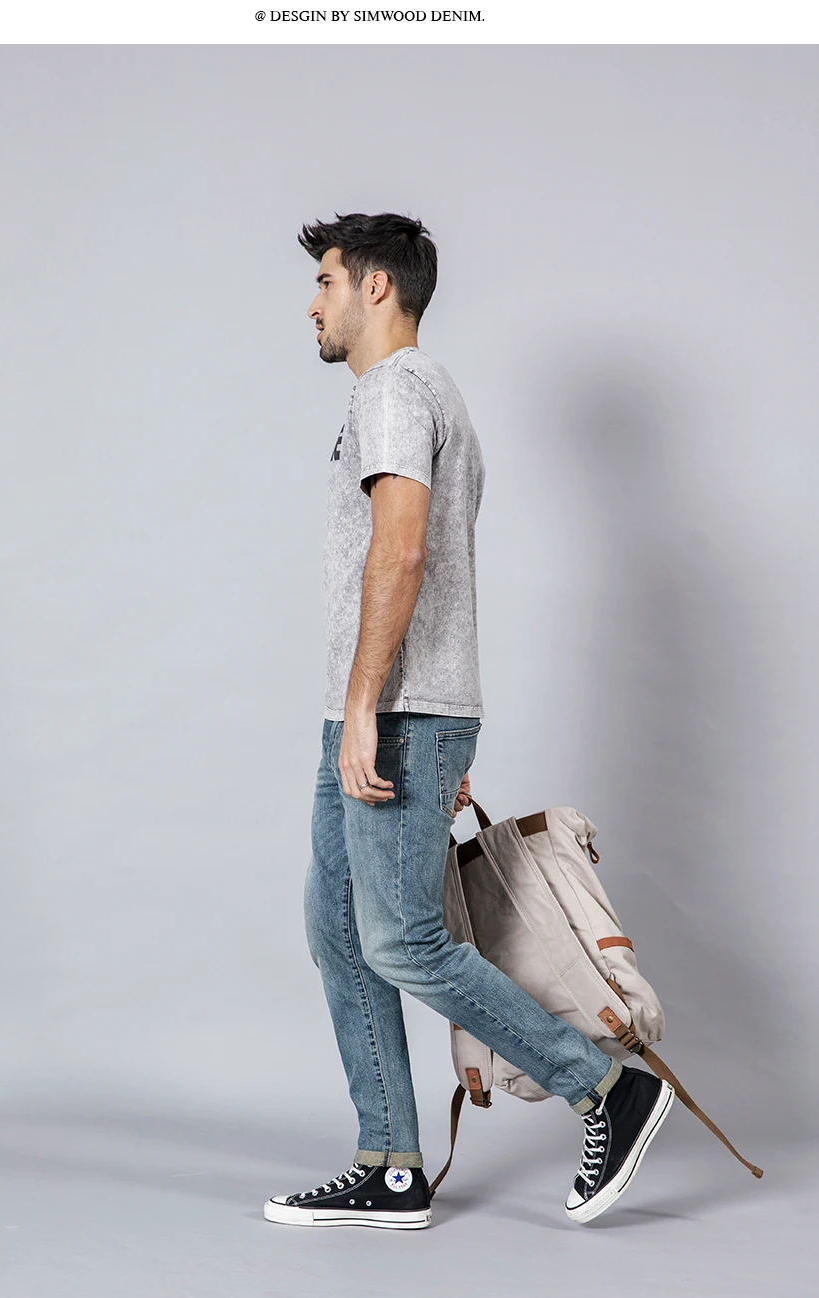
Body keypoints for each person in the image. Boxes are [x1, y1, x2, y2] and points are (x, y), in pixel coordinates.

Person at [264, 211, 674, 1231]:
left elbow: (403, 552)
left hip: (393, 709)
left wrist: (372, 709)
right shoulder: (421, 393)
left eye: (326, 281)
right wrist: (383, 715)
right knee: (337, 929)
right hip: (392, 710)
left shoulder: (396, 391)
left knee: (400, 939)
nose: (311, 304)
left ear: (377, 287)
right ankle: (391, 1162)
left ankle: (608, 1089)